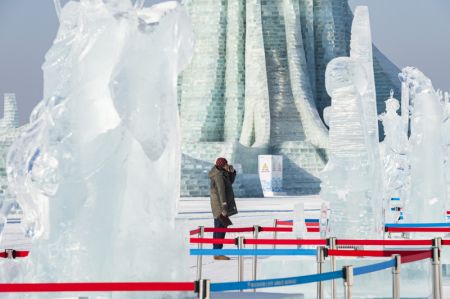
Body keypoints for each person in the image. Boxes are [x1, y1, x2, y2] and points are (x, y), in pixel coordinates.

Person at [208, 157, 238, 260]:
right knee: (219, 229)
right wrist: (224, 207)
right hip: (220, 206)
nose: (227, 165)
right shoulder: (219, 175)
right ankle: (217, 253)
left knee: (220, 228)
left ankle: (217, 252)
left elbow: (229, 183)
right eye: (225, 164)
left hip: (219, 205)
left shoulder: (221, 173)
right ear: (222, 165)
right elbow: (221, 192)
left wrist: (232, 173)